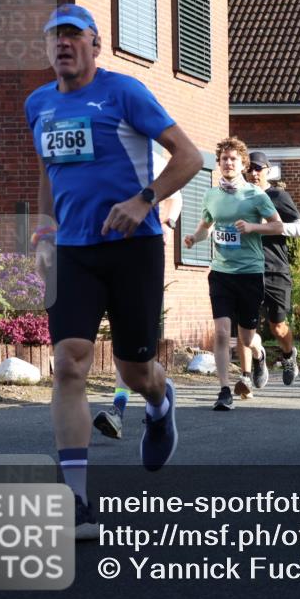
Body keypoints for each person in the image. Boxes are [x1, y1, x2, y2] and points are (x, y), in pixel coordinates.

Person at [26, 5, 202, 538]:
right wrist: (43, 234)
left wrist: (144, 199)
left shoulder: (124, 92)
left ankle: (160, 404)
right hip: (73, 252)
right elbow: (47, 172)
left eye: (73, 35)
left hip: (133, 247)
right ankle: (77, 501)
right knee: (69, 364)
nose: (63, 43)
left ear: (95, 45)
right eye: (54, 36)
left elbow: (189, 156)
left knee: (134, 368)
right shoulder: (38, 103)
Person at [184, 137, 282, 406]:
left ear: (242, 164)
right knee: (221, 332)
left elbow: (277, 226)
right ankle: (224, 390)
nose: (228, 163)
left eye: (233, 159)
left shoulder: (255, 195)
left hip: (249, 273)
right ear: (219, 163)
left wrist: (252, 228)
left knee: (247, 337)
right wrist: (194, 238)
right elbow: (206, 226)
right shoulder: (211, 195)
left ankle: (259, 355)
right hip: (221, 273)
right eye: (224, 159)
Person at [94, 188, 182, 439]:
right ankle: (119, 409)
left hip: (139, 256)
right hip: (94, 255)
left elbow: (175, 196)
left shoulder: (148, 164)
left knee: (131, 354)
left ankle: (136, 405)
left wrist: (168, 224)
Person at [244, 152, 300, 385]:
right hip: (246, 269)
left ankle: (289, 355)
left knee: (278, 326)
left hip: (276, 269)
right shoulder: (240, 197)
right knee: (246, 326)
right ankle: (257, 359)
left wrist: (274, 226)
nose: (254, 173)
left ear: (267, 172)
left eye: (258, 169)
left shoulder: (278, 196)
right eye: (250, 168)